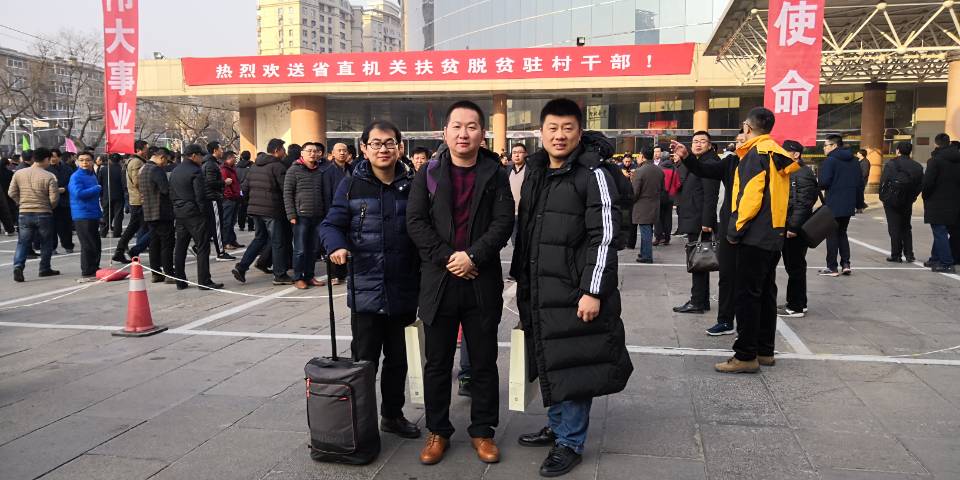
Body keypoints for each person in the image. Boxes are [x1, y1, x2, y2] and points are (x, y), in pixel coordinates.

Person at [510, 99, 632, 477]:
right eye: (552, 128)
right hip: (541, 286)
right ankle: (558, 426)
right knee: (553, 358)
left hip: (576, 290)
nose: (559, 135)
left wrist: (593, 291)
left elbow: (605, 236)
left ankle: (570, 442)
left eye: (567, 128)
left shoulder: (593, 172)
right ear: (541, 132)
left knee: (575, 363)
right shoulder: (537, 169)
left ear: (579, 132)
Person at [406, 100, 514, 466]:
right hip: (439, 282)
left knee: (483, 361)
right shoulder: (429, 172)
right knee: (437, 362)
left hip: (480, 280)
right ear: (445, 132)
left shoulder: (495, 173)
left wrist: (473, 256)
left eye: (471, 126)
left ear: (482, 133)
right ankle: (438, 430)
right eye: (456, 126)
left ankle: (483, 430)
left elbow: (503, 222)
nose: (463, 133)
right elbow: (416, 222)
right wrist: (450, 259)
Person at [320, 120, 422, 440]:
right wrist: (336, 245)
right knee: (364, 361)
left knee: (398, 360)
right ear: (364, 148)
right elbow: (330, 224)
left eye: (389, 143)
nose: (383, 149)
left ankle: (392, 415)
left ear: (399, 148)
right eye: (376, 143)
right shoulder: (351, 185)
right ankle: (360, 420)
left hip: (404, 287)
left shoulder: (413, 185)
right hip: (366, 287)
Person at [686, 107, 797, 373]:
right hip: (773, 233)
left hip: (754, 236)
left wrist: (735, 231)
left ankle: (745, 355)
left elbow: (751, 197)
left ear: (748, 127)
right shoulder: (775, 152)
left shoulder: (754, 155)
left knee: (747, 296)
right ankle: (764, 350)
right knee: (766, 293)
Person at [673, 131, 721, 315]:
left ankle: (697, 301)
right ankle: (701, 300)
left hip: (700, 220)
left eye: (702, 141)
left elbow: (710, 195)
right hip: (695, 217)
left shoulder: (710, 163)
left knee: (698, 261)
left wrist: (707, 222)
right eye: (695, 141)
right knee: (700, 262)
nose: (698, 144)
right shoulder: (700, 161)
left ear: (710, 145)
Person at [233, 139, 291, 284]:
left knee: (259, 238)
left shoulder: (254, 166)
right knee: (278, 241)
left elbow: (244, 188)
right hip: (272, 209)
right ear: (277, 150)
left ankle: (241, 267)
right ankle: (280, 274)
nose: (285, 152)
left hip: (255, 209)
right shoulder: (278, 166)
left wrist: (250, 203)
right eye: (283, 149)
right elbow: (286, 189)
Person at [171, 144, 223, 291]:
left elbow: (171, 192)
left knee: (180, 246)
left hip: (179, 211)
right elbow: (200, 195)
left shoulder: (175, 170)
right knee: (202, 246)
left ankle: (180, 280)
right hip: (194, 213)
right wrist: (203, 212)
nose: (202, 158)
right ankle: (204, 280)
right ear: (194, 156)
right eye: (200, 155)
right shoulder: (195, 171)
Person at [777, 140, 818, 318]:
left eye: (785, 152)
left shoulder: (802, 173)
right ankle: (800, 302)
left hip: (795, 227)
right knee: (794, 265)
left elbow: (804, 203)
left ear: (796, 154)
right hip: (790, 223)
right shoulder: (792, 171)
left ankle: (795, 307)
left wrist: (793, 227)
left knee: (795, 266)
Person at [9, 147, 62, 282]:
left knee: (23, 242)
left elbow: (11, 192)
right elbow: (54, 198)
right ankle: (44, 268)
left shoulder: (19, 173)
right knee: (46, 242)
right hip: (44, 213)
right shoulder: (49, 176)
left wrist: (21, 202)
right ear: (46, 159)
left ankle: (18, 266)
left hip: (24, 213)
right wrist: (49, 207)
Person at [818, 134, 864, 277]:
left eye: (825, 145)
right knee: (842, 233)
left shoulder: (830, 160)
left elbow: (824, 183)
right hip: (848, 203)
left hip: (833, 202)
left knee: (831, 234)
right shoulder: (854, 161)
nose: (824, 148)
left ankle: (832, 267)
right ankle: (846, 264)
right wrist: (859, 203)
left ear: (834, 146)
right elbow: (860, 183)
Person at [283, 141, 327, 289]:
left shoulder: (320, 171)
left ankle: (310, 276)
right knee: (300, 249)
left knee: (313, 249)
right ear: (302, 153)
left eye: (315, 151)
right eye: (309, 151)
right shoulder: (294, 170)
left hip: (318, 215)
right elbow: (287, 193)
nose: (313, 154)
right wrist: (291, 215)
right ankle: (298, 277)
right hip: (300, 216)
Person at [921, 134, 960, 273]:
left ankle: (946, 263)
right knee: (950, 232)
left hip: (937, 202)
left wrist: (925, 196)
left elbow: (928, 183)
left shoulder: (935, 161)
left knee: (940, 231)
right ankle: (936, 258)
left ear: (936, 144)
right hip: (956, 202)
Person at [880, 141, 924, 263]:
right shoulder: (917, 166)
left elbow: (883, 181)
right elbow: (921, 184)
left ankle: (896, 254)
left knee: (894, 227)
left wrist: (883, 196)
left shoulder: (891, 164)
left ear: (898, 150)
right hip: (908, 199)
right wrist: (913, 196)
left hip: (892, 199)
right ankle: (909, 254)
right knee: (906, 226)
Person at [140, 148, 176, 284]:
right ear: (162, 157)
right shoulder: (157, 170)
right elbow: (165, 190)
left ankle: (156, 273)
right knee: (167, 244)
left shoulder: (143, 169)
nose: (166, 164)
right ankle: (169, 273)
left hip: (149, 212)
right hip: (162, 212)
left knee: (154, 243)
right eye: (166, 161)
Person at [112, 140, 149, 263]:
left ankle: (122, 251)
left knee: (135, 227)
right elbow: (138, 181)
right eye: (146, 148)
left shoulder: (134, 161)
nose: (147, 151)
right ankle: (126, 250)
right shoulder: (137, 162)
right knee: (143, 227)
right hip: (139, 200)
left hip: (137, 199)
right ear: (139, 150)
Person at [68, 152, 102, 282]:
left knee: (95, 243)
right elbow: (78, 193)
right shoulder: (76, 176)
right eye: (81, 160)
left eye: (87, 160)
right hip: (82, 214)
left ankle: (94, 267)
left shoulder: (91, 175)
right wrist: (96, 188)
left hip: (92, 213)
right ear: (77, 162)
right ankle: (88, 270)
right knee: (88, 244)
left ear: (92, 161)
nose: (84, 163)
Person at [322, 142, 352, 285]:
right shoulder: (327, 171)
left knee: (347, 242)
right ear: (332, 154)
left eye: (344, 150)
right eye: (339, 150)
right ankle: (333, 274)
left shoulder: (352, 169)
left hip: (350, 209)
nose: (342, 153)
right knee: (335, 241)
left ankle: (343, 273)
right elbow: (326, 194)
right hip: (334, 209)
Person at [202, 141, 234, 261]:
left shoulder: (210, 163)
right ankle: (220, 252)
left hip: (212, 197)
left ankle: (199, 245)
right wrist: (224, 182)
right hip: (212, 198)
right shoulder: (210, 164)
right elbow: (210, 182)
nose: (222, 151)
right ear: (215, 150)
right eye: (221, 149)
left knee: (212, 225)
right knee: (217, 226)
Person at [631, 146, 662, 264]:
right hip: (655, 203)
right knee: (648, 230)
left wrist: (631, 201)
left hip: (642, 205)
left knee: (645, 231)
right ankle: (644, 252)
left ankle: (647, 255)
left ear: (643, 156)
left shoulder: (639, 171)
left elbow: (635, 192)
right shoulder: (659, 170)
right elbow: (662, 188)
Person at [47, 148, 75, 254]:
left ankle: (68, 245)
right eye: (50, 157)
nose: (52, 159)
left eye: (54, 156)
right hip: (50, 203)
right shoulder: (45, 169)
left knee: (66, 226)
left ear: (59, 157)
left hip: (64, 201)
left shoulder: (67, 169)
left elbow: (72, 183)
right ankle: (52, 247)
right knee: (51, 227)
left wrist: (65, 189)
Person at [220, 150, 243, 250]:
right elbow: (225, 185)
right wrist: (230, 195)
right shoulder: (224, 170)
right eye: (233, 157)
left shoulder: (232, 168)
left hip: (235, 198)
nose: (235, 159)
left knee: (232, 221)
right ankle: (226, 242)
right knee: (227, 221)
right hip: (229, 199)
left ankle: (232, 240)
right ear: (229, 158)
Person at [655, 151, 679, 245]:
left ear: (661, 158)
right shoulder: (674, 169)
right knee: (668, 218)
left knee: (658, 217)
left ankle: (659, 237)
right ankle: (667, 238)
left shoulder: (658, 169)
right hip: (670, 197)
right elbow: (678, 184)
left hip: (659, 196)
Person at [98, 153, 124, 238]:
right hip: (119, 195)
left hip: (106, 194)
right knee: (118, 215)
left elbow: (99, 183)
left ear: (109, 160)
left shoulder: (103, 169)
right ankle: (117, 232)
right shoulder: (122, 169)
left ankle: (103, 232)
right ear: (119, 160)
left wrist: (101, 195)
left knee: (106, 214)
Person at [508, 143, 528, 246]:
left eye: (520, 152)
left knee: (525, 241)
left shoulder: (530, 171)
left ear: (526, 154)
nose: (517, 155)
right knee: (514, 241)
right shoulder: (508, 170)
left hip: (525, 213)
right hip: (511, 213)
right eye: (514, 152)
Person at [235, 150, 254, 231]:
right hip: (250, 189)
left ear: (241, 157)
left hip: (239, 189)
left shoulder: (236, 167)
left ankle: (241, 225)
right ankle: (250, 226)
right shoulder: (252, 166)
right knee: (250, 207)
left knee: (241, 208)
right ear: (249, 156)